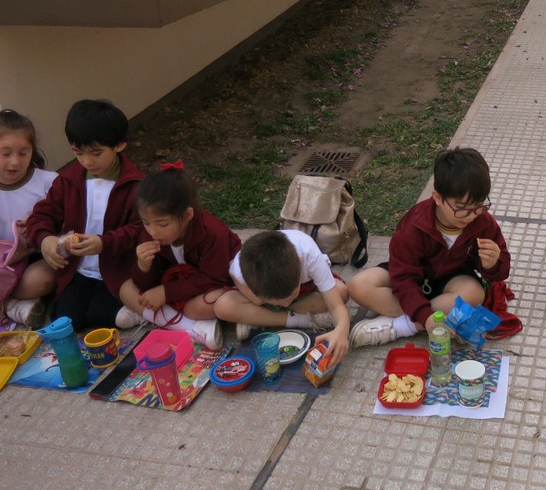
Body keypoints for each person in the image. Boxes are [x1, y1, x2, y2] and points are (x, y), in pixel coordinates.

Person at [348, 147, 510, 347]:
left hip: (451, 280)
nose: (471, 215)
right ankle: (429, 318)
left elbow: (501, 272)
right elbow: (403, 278)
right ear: (437, 198)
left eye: (478, 205)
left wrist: (493, 264)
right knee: (358, 285)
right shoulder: (415, 224)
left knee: (475, 293)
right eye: (461, 208)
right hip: (412, 278)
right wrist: (425, 315)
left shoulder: (483, 222)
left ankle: (401, 326)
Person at [25, 99, 145, 331]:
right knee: (68, 320)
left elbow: (140, 228)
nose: (87, 161)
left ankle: (131, 310)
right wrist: (45, 239)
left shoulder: (135, 185)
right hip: (77, 269)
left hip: (116, 271)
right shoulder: (69, 180)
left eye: (96, 153)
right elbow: (41, 215)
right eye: (78, 153)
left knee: (100, 316)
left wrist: (104, 243)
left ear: (119, 145)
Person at [118, 163, 238, 349]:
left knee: (202, 306)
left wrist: (166, 293)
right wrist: (143, 267)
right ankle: (190, 327)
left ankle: (155, 315)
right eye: (146, 223)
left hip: (208, 287)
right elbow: (148, 284)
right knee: (126, 288)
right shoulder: (149, 236)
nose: (153, 231)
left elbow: (214, 278)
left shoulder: (213, 233)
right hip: (176, 287)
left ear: (188, 214)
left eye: (162, 224)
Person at [0, 109, 58, 326]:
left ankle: (3, 301)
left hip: (38, 256)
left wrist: (41, 225)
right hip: (0, 262)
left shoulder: (48, 182)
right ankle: (12, 303)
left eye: (23, 153)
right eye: (5, 153)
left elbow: (67, 220)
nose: (15, 162)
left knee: (46, 277)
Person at [213, 229, 352, 366]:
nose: (286, 304)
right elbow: (234, 273)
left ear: (300, 263)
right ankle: (303, 319)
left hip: (305, 291)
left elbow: (336, 306)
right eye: (278, 303)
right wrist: (256, 300)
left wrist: (342, 330)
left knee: (341, 292)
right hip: (276, 299)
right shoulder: (240, 269)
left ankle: (258, 317)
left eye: (292, 295)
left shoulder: (309, 255)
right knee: (222, 307)